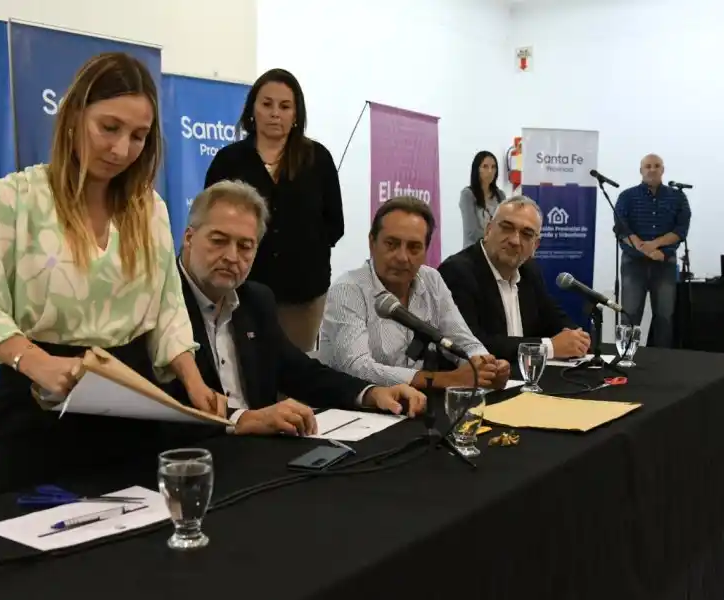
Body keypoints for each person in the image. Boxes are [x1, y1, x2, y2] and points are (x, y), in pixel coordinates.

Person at [0, 53, 221, 497]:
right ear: (74, 115)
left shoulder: (149, 210)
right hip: (39, 409)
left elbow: (168, 308)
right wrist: (36, 363)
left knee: (130, 552)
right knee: (36, 554)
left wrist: (193, 382)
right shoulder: (15, 198)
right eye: (109, 128)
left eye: (138, 136)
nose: (121, 149)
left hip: (131, 409)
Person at [164, 180, 426, 435]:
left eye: (245, 246)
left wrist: (372, 393)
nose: (232, 257)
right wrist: (239, 418)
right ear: (189, 238)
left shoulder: (255, 299)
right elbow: (159, 397)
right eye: (219, 241)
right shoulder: (160, 302)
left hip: (258, 455)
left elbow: (300, 372)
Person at [204, 68, 343, 353]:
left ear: (296, 115)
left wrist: (302, 248)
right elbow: (209, 218)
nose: (275, 113)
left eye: (284, 106)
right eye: (266, 104)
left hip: (302, 295)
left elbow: (334, 225)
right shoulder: (228, 161)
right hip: (240, 290)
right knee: (245, 373)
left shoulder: (318, 159)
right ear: (253, 109)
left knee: (293, 377)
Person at [318, 196, 511, 390]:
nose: (402, 257)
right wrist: (446, 380)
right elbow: (357, 368)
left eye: (414, 247)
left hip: (414, 404)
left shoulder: (432, 280)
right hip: (352, 410)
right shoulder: (348, 289)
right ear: (372, 243)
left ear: (426, 250)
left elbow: (463, 342)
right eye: (391, 244)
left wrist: (485, 366)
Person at [439, 196, 590, 362]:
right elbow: (470, 344)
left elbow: (553, 317)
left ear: (535, 246)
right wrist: (549, 347)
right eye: (506, 228)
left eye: (527, 234)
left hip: (523, 380)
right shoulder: (457, 271)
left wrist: (576, 338)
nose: (515, 241)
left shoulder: (529, 271)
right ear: (488, 230)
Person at [614, 153, 691, 348]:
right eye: (647, 166)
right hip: (633, 263)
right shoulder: (627, 196)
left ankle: (661, 362)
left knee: (665, 316)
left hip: (664, 262)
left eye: (657, 165)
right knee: (630, 315)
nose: (652, 169)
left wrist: (656, 246)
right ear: (641, 170)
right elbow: (622, 230)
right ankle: (626, 357)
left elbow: (681, 230)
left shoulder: (678, 197)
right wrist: (646, 251)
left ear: (663, 170)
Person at [460, 150, 505, 248]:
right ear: (477, 169)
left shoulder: (500, 195)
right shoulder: (468, 194)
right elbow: (471, 231)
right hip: (474, 250)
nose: (490, 171)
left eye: (493, 167)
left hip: (495, 249)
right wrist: (495, 238)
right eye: (485, 166)